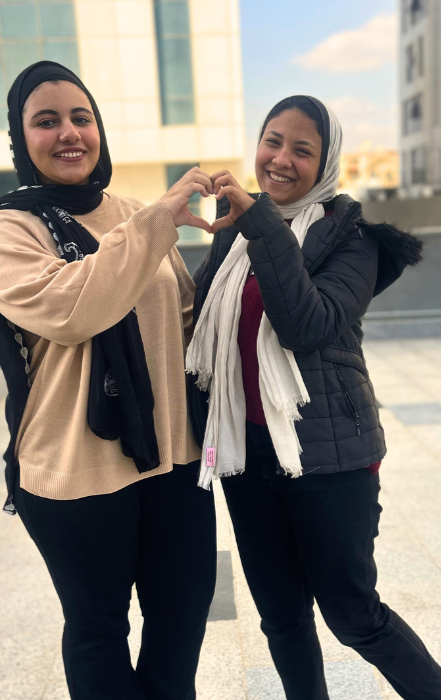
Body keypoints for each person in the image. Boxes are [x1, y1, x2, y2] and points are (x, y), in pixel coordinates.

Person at [0, 61, 217, 700]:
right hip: (75, 469)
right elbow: (74, 309)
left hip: (173, 457)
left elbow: (185, 318)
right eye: (46, 121)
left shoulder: (134, 214)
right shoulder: (3, 228)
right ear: (21, 136)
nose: (68, 133)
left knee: (182, 618)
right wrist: (157, 221)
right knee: (99, 630)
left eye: (81, 118)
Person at [187, 95, 441, 700]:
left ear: (325, 163)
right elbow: (195, 325)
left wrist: (260, 223)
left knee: (355, 617)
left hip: (330, 457)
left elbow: (306, 325)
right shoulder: (235, 233)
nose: (281, 159)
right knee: (281, 619)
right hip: (249, 457)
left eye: (302, 150)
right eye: (272, 141)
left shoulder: (355, 239)